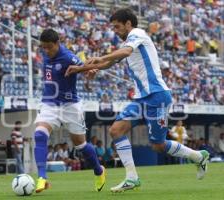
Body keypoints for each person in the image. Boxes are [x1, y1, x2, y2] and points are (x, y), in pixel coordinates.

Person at [65, 8, 209, 192]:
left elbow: (122, 53)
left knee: (158, 145)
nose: (115, 31)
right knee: (116, 130)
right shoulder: (128, 43)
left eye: (117, 27)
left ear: (128, 24)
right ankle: (132, 178)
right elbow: (107, 63)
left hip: (157, 96)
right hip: (141, 99)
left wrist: (99, 57)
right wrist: (80, 69)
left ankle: (198, 156)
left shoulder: (137, 34)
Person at [33, 29, 105, 193]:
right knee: (39, 134)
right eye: (43, 47)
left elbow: (86, 68)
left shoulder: (67, 56)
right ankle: (42, 178)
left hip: (70, 105)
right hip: (49, 103)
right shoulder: (46, 52)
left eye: (49, 47)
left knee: (80, 145)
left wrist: (90, 73)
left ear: (57, 44)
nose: (46, 51)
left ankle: (99, 171)